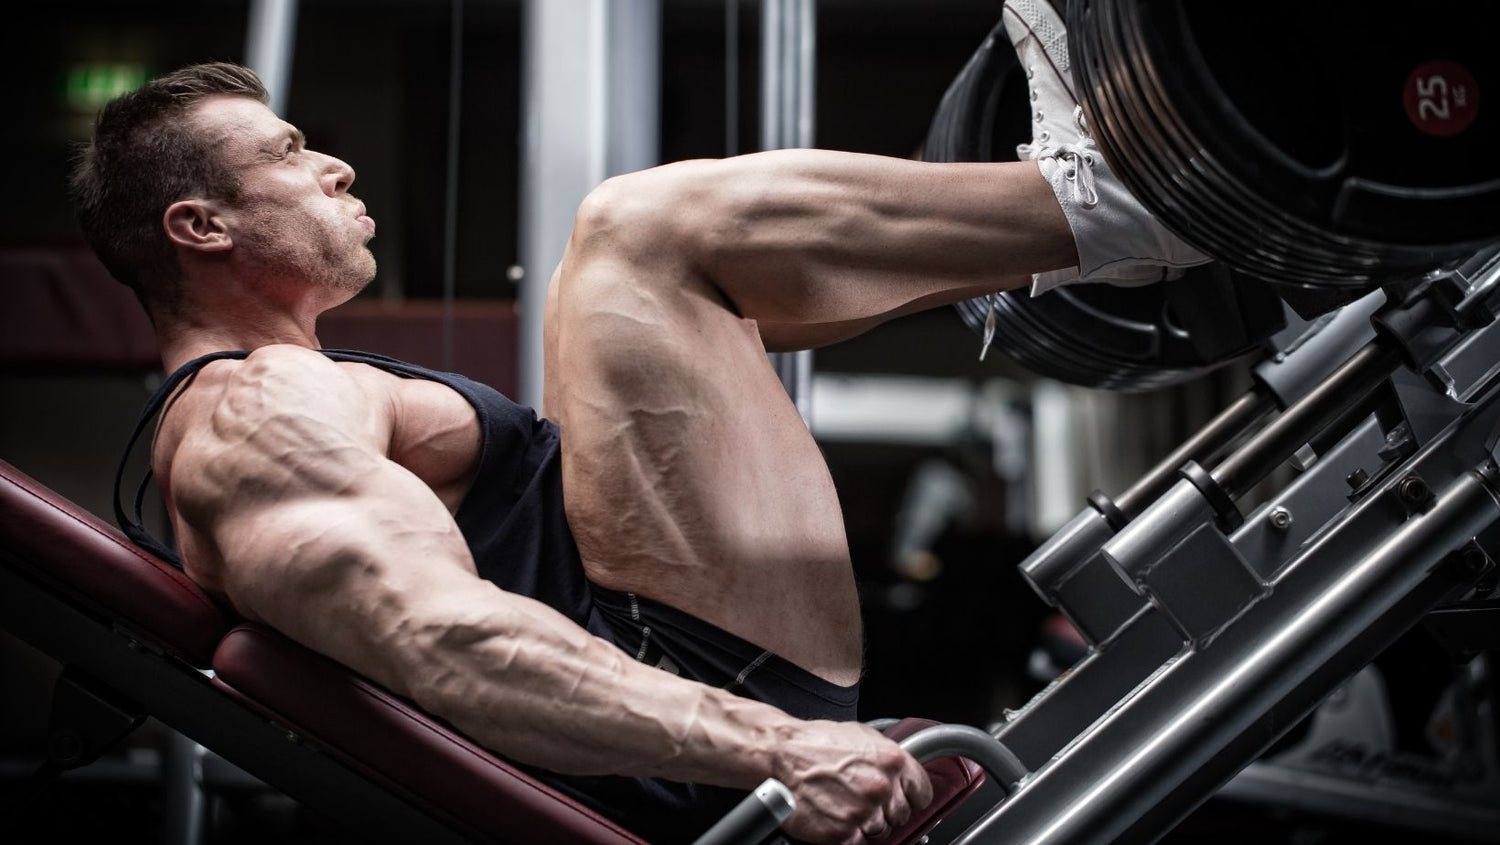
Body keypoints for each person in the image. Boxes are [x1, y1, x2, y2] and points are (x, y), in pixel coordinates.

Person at [71, 1, 1205, 842]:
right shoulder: (251, 418)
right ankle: (1115, 205)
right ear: (200, 227)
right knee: (637, 233)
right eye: (285, 154)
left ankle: (1097, 233)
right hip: (689, 737)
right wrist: (781, 749)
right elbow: (438, 635)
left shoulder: (283, 393)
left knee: (665, 276)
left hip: (684, 688)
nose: (333, 163)